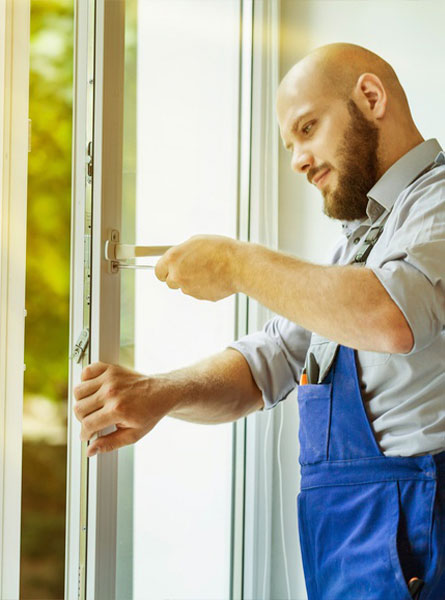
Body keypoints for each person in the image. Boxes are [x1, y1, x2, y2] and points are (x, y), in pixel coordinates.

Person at [73, 43, 445, 599]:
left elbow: (392, 315)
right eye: (290, 143)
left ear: (370, 97)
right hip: (352, 546)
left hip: (417, 535)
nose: (297, 159)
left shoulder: (435, 204)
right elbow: (268, 361)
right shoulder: (361, 249)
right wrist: (159, 394)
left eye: (308, 127)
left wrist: (236, 262)